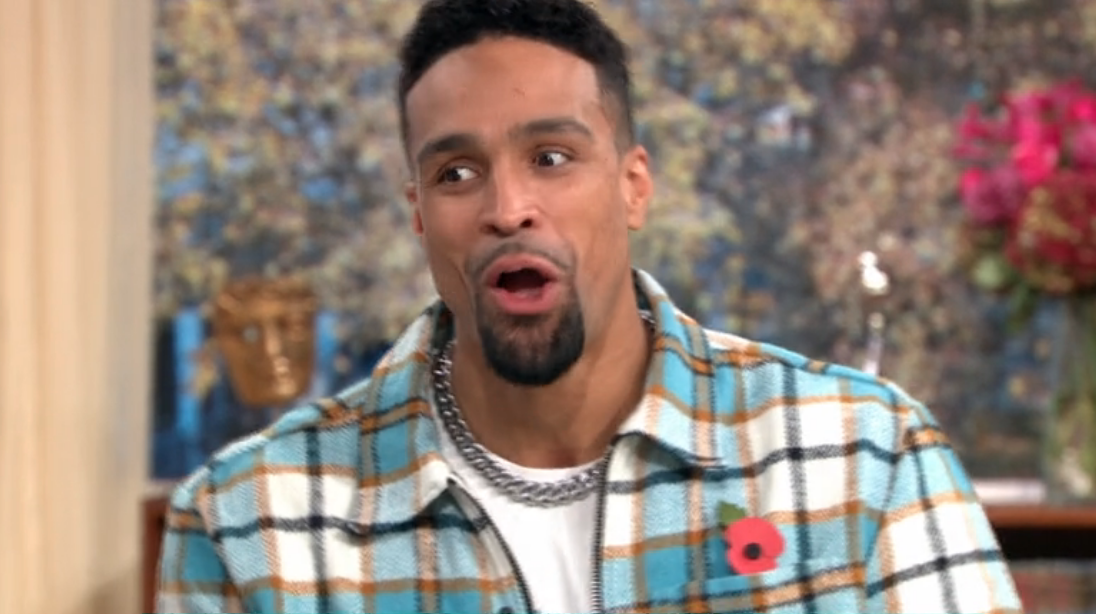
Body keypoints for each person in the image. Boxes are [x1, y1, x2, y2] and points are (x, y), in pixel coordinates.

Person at [156, 1, 1024, 612]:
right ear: (419, 215)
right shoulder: (249, 521)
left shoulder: (865, 454)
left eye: (551, 157)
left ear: (633, 185)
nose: (508, 208)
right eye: (457, 173)